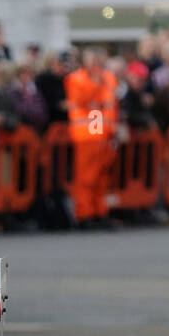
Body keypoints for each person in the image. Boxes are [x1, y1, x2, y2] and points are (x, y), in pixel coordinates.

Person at [64, 47, 118, 228]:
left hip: (105, 134)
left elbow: (109, 103)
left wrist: (111, 131)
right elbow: (87, 102)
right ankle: (85, 214)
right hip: (88, 135)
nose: (95, 61)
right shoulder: (76, 79)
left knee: (102, 178)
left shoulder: (107, 77)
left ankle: (100, 212)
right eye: (91, 58)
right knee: (86, 177)